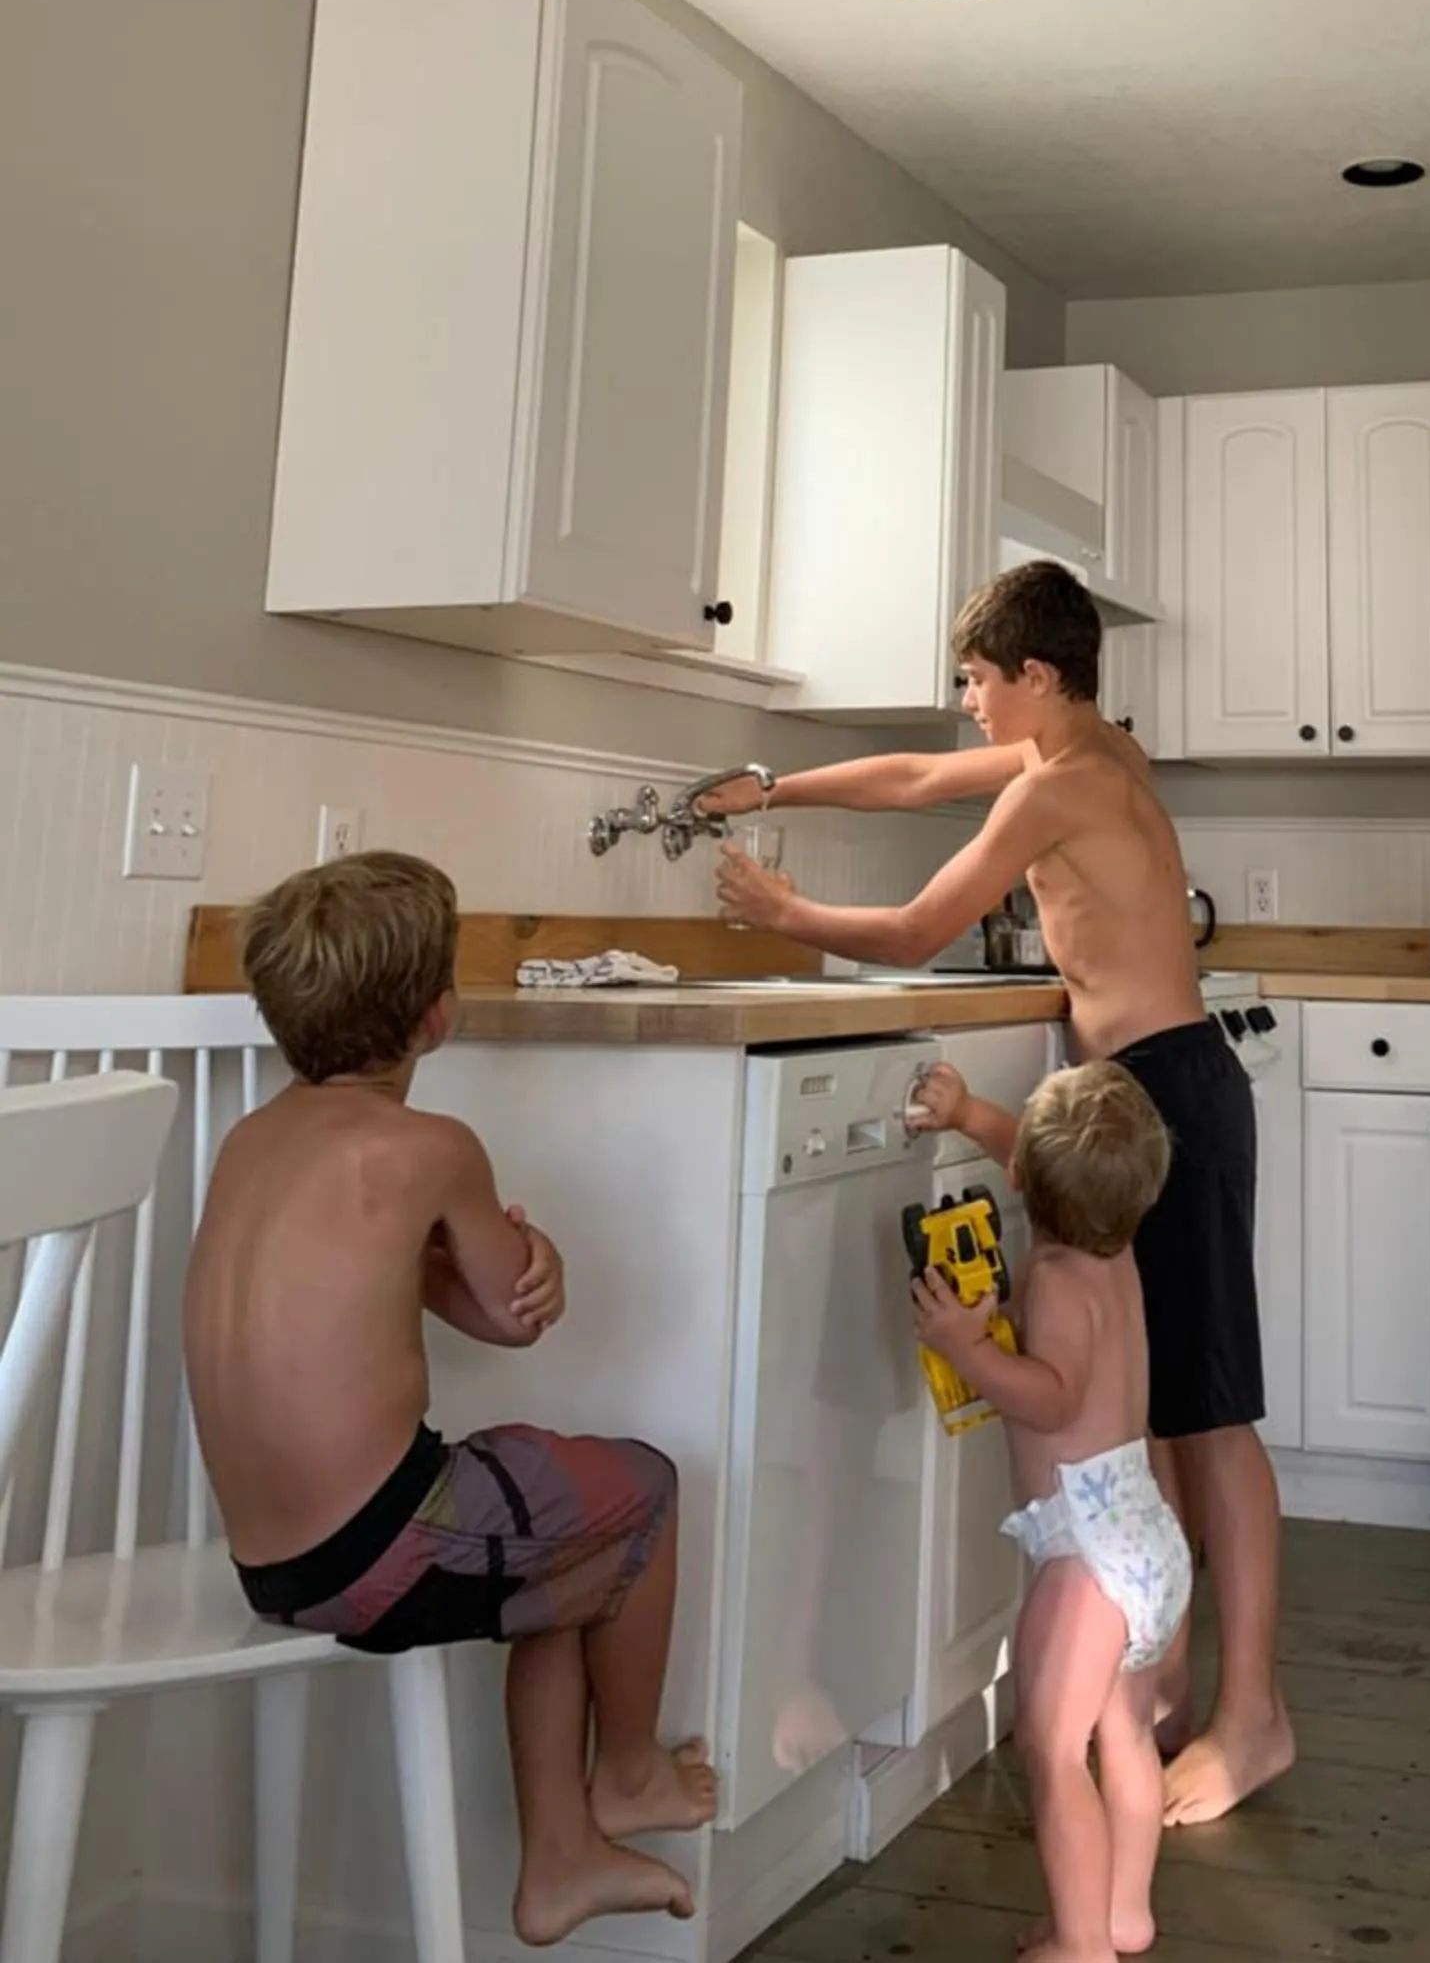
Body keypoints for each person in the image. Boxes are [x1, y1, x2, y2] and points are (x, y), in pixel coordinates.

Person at [703, 559, 1293, 1826]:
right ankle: (1165, 1684)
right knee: (1158, 1406)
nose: (965, 702)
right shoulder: (1087, 748)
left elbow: (919, 929)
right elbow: (917, 780)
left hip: (1169, 1094)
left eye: (975, 679)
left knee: (1210, 1415)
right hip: (1153, 1085)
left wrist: (781, 909)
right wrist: (774, 786)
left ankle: (1254, 1717)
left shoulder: (1062, 784)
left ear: (1036, 674)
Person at [183, 851, 716, 1948]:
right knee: (646, 1492)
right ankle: (627, 1775)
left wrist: (439, 1266)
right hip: (382, 1551)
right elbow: (516, 1317)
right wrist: (540, 1256)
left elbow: (417, 1290)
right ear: (437, 1015)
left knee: (567, 1542)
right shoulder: (431, 1147)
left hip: (268, 1564)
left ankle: (560, 1864)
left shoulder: (249, 1139)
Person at [914, 1059, 1191, 1962]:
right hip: (1145, 1538)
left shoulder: (1059, 1279)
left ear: (1019, 1180)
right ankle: (1121, 1914)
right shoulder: (1117, 1254)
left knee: (1053, 1748)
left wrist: (967, 1347)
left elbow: (1052, 1396)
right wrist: (968, 1113)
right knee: (1125, 1736)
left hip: (1087, 1559)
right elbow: (1055, 1163)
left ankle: (1080, 1944)